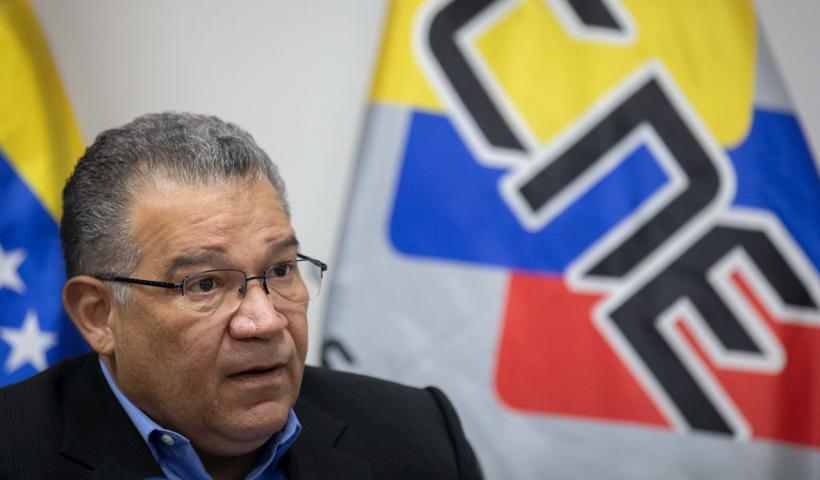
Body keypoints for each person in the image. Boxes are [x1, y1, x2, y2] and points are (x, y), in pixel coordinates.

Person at [0, 112, 483, 479]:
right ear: (98, 315)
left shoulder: (417, 436)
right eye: (205, 284)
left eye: (281, 270)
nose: (266, 321)